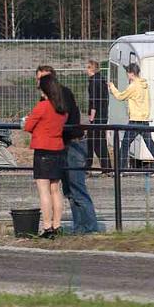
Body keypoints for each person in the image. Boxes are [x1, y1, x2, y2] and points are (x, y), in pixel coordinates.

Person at [38, 65, 99, 234]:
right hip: (63, 145)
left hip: (73, 144)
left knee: (77, 188)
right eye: (39, 80)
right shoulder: (49, 98)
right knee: (69, 190)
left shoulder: (61, 95)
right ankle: (79, 227)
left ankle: (91, 227)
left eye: (43, 79)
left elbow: (57, 120)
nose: (40, 84)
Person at [24, 74, 68, 239]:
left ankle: (47, 226)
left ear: (45, 90)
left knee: (44, 191)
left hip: (43, 150)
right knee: (55, 189)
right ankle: (57, 225)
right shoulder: (61, 108)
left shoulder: (42, 107)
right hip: (58, 149)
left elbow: (28, 126)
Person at [109, 63, 154, 176]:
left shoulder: (133, 86)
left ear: (131, 73)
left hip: (135, 120)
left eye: (127, 73)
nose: (126, 75)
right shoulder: (144, 85)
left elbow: (120, 96)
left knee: (125, 144)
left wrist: (112, 87)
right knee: (150, 144)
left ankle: (121, 169)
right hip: (144, 119)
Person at [86, 60, 111, 173]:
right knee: (95, 140)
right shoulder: (101, 80)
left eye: (87, 68)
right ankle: (103, 166)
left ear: (91, 69)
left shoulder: (94, 81)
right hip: (103, 114)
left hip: (97, 116)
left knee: (96, 141)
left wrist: (92, 115)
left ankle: (103, 167)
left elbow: (94, 100)